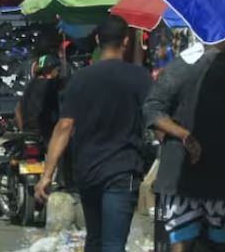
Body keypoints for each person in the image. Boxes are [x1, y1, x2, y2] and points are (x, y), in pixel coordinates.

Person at [35, 15, 152, 252]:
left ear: (97, 40)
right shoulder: (140, 78)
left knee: (95, 240)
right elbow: (156, 119)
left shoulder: (80, 79)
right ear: (126, 41)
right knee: (113, 244)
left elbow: (64, 127)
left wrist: (47, 174)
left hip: (88, 171)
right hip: (123, 170)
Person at [143, 42, 225, 252]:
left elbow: (152, 109)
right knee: (224, 243)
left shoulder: (178, 66)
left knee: (181, 244)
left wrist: (183, 135)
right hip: (222, 175)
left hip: (179, 176)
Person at [15, 54, 62, 140]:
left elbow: (18, 109)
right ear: (51, 70)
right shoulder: (50, 85)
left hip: (29, 132)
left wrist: (23, 130)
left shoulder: (30, 85)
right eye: (57, 69)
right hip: (46, 133)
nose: (58, 72)